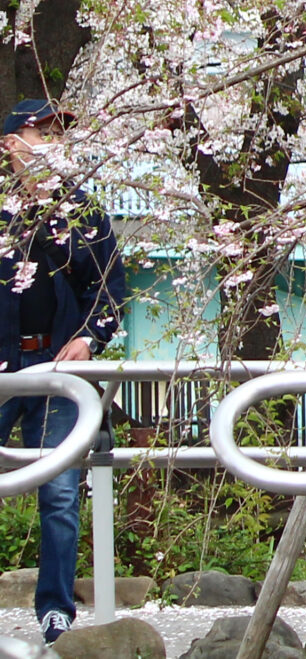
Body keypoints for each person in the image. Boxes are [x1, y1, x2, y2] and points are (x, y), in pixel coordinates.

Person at [0, 99, 129, 646]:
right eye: (42, 131)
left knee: (58, 492)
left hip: (56, 365)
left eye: (59, 134)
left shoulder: (83, 210)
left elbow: (109, 290)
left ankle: (56, 611)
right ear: (10, 142)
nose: (52, 142)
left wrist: (88, 338)